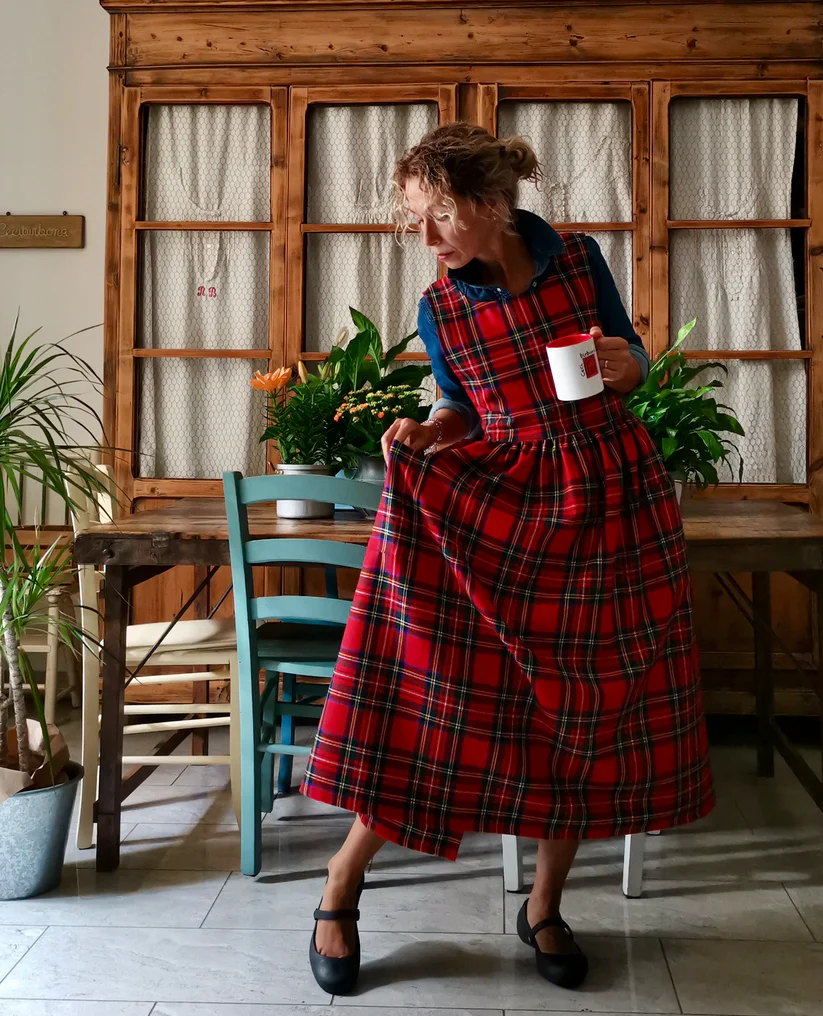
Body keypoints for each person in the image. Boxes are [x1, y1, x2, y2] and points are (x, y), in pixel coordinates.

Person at [301, 122, 713, 995]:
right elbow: (462, 409)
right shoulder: (439, 307)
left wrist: (624, 365)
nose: (424, 237)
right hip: (509, 511)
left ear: (488, 207)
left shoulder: (577, 260)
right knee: (440, 699)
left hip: (609, 502)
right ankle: (340, 884)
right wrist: (427, 429)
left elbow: (631, 358)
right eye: (414, 218)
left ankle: (545, 907)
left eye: (436, 216)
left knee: (585, 710)